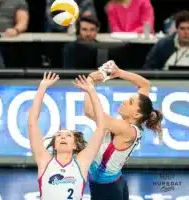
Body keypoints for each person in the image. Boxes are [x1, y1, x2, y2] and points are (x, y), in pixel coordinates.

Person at [85, 61, 163, 200]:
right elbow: (144, 84)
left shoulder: (125, 129)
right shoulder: (134, 122)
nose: (125, 101)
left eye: (131, 102)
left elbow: (90, 112)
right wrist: (119, 72)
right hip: (115, 181)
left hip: (105, 187)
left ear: (136, 115)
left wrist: (90, 80)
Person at [27, 71, 106, 199]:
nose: (63, 137)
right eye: (59, 135)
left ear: (75, 145)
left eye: (68, 136)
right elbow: (32, 123)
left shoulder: (81, 163)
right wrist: (42, 88)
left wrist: (91, 91)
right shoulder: (44, 161)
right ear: (54, 145)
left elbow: (101, 127)